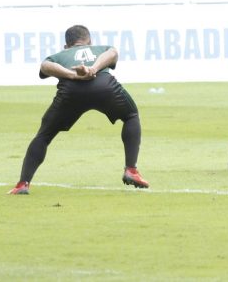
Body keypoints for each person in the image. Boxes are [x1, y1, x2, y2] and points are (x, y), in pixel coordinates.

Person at [8, 25, 149, 195]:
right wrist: (93, 69)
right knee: (131, 115)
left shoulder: (59, 55)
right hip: (104, 86)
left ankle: (23, 184)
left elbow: (45, 66)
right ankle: (131, 170)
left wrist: (72, 75)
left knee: (44, 135)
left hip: (71, 92)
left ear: (66, 46)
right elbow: (113, 53)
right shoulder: (100, 49)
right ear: (89, 41)